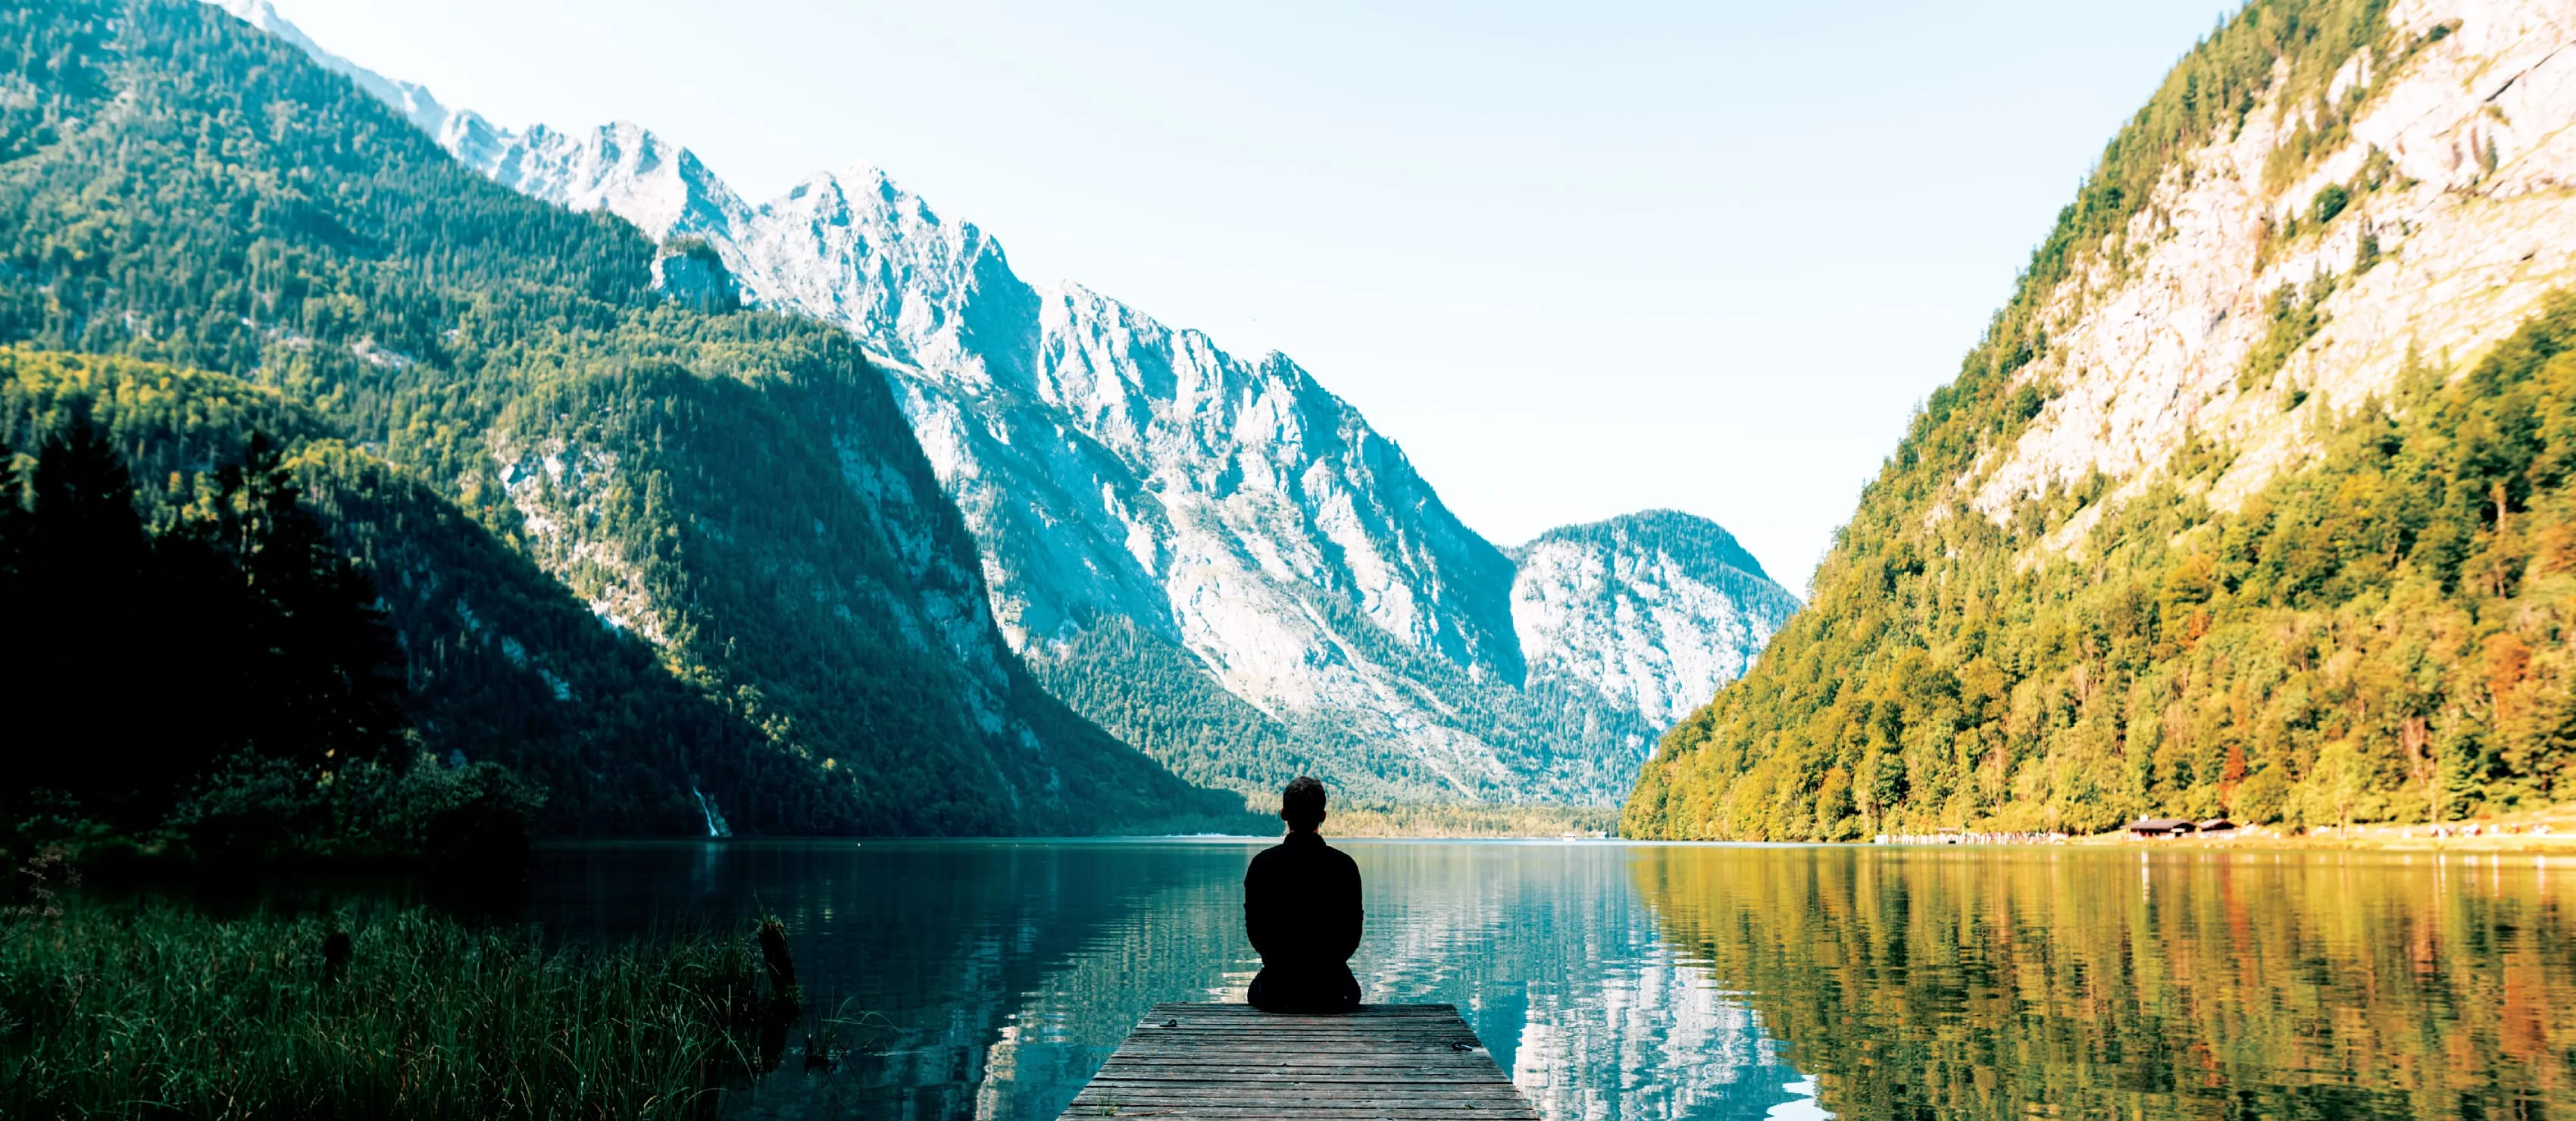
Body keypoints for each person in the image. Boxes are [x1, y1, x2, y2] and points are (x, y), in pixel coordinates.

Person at [1243, 776, 1363, 1013]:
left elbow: (1256, 933)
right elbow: (1352, 935)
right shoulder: (1345, 866)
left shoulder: (1262, 865)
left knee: (1257, 990)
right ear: (1323, 816)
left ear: (1283, 814)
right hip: (1334, 990)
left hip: (1276, 991)